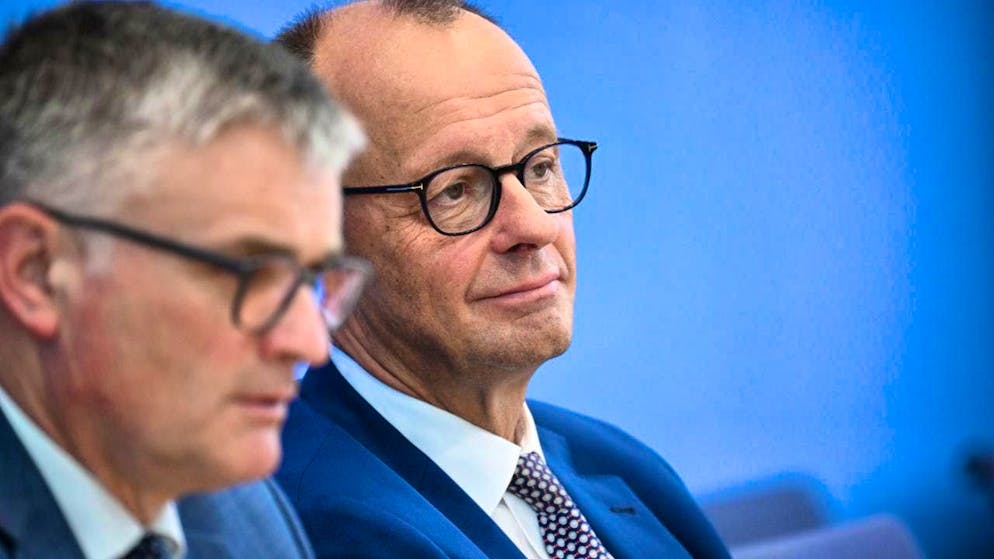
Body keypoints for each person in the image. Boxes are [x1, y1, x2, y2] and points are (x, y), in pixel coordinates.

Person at [274, 1, 730, 558]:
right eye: (455, 190)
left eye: (539, 167)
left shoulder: (621, 466)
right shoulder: (300, 529)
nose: (534, 226)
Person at [0, 2, 367, 558]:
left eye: (312, 279)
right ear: (38, 272)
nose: (310, 345)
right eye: (244, 272)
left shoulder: (247, 516)